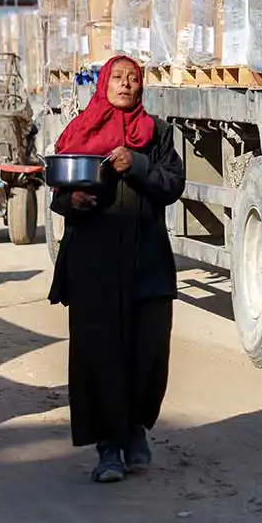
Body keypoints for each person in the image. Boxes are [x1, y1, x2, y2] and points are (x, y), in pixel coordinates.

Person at [48, 55, 184, 484]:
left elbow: (173, 185)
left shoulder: (156, 133)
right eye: (118, 78)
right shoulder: (79, 131)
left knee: (148, 352)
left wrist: (138, 165)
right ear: (103, 83)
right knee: (99, 356)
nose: (125, 85)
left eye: (133, 79)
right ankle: (108, 447)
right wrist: (73, 203)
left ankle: (136, 429)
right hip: (94, 265)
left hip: (147, 263)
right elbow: (58, 193)